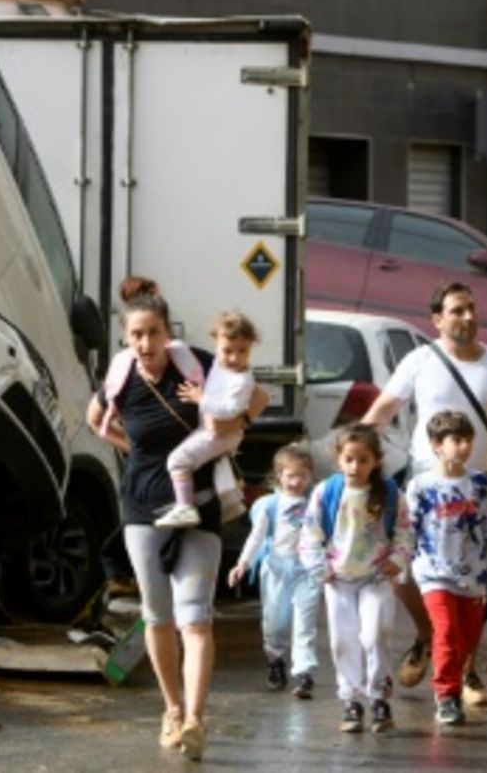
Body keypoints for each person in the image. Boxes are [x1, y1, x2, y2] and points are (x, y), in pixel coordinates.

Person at [87, 276, 268, 761]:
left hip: (200, 504)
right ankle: (170, 708)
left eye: (153, 334)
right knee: (158, 616)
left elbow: (259, 395)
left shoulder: (198, 366)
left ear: (168, 333)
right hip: (143, 510)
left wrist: (237, 424)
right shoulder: (122, 376)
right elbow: (93, 419)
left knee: (197, 618)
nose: (145, 344)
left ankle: (194, 719)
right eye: (137, 335)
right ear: (127, 337)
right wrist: (133, 451)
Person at [359, 281, 487, 706]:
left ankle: (466, 671)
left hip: (480, 486)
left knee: (474, 581)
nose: (468, 317)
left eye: (471, 308)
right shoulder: (420, 361)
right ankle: (430, 635)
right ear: (437, 320)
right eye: (457, 310)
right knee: (401, 571)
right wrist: (354, 452)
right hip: (424, 483)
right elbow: (384, 410)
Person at [405, 410, 487, 727]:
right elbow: (408, 528)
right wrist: (397, 560)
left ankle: (453, 682)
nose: (465, 446)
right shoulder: (421, 486)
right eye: (457, 440)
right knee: (446, 632)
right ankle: (447, 697)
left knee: (467, 639)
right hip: (433, 573)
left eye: (468, 440)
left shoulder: (480, 484)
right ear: (436, 445)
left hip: (474, 576)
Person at [299, 424, 413, 734]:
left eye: (363, 460)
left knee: (375, 635)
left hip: (376, 577)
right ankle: (351, 700)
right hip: (338, 580)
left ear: (375, 461)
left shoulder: (390, 493)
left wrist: (397, 560)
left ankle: (379, 697)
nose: (355, 467)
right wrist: (319, 568)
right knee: (342, 641)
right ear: (339, 459)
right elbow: (310, 535)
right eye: (349, 459)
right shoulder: (327, 492)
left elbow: (405, 532)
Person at [226, 442, 321, 699]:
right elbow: (256, 538)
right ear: (279, 475)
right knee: (276, 623)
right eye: (290, 475)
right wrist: (242, 563)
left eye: (302, 475)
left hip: (308, 570)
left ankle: (304, 673)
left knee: (305, 623)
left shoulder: (316, 502)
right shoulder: (270, 505)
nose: (296, 481)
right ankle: (276, 660)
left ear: (311, 475)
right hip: (277, 568)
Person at [155, 312, 260, 529]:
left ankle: (185, 507)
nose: (235, 358)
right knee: (194, 461)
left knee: (177, 460)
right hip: (213, 430)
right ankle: (187, 503)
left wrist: (201, 398)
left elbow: (231, 410)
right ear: (216, 345)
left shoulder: (242, 379)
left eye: (243, 351)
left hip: (223, 434)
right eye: (227, 351)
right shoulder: (219, 366)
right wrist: (171, 345)